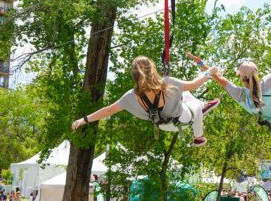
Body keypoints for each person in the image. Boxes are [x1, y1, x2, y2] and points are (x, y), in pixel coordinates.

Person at [71, 56, 220, 147]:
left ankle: (202, 108)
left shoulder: (130, 96)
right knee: (193, 102)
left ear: (134, 75)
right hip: (182, 120)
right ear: (152, 69)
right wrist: (209, 72)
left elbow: (108, 110)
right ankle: (199, 136)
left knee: (184, 93)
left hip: (163, 126)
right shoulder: (168, 83)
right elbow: (194, 84)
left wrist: (84, 119)